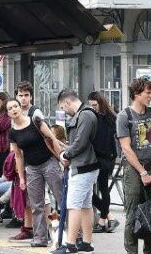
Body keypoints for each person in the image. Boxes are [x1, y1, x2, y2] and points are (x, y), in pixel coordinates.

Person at [6, 98, 63, 247]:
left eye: (15, 106)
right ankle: (40, 238)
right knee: (36, 205)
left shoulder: (35, 120)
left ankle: (73, 234)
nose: (14, 109)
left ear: (20, 108)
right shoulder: (12, 133)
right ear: (8, 113)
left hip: (49, 162)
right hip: (31, 168)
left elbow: (51, 137)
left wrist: (62, 158)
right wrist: (21, 178)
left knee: (61, 197)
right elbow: (18, 156)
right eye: (10, 108)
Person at [116, 78, 151, 254]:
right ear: (137, 94)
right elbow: (126, 148)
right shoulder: (124, 116)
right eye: (148, 93)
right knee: (133, 213)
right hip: (133, 170)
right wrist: (143, 173)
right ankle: (131, 251)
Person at [54, 89, 99, 254]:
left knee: (73, 205)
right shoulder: (86, 114)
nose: (65, 111)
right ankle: (87, 243)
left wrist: (65, 154)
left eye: (63, 107)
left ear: (67, 102)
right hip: (88, 166)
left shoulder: (85, 115)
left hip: (82, 167)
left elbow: (80, 142)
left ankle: (70, 245)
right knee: (86, 205)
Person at [87, 92, 120, 233]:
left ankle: (102, 221)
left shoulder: (106, 118)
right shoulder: (109, 117)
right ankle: (109, 216)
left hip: (104, 158)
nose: (93, 108)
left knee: (99, 188)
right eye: (91, 106)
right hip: (106, 157)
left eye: (94, 105)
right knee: (98, 189)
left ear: (100, 103)